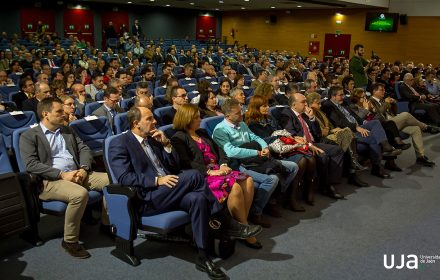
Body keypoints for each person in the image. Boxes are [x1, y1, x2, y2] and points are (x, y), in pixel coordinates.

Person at [107, 106, 261, 279]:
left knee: (198, 199)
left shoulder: (153, 139)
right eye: (149, 119)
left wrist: (166, 144)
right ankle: (226, 223)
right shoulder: (119, 143)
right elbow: (123, 178)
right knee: (195, 175)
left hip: (169, 190)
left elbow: (173, 166)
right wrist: (157, 180)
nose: (155, 121)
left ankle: (203, 257)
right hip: (148, 198)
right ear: (136, 123)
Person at [19, 97, 109, 259]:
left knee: (111, 181)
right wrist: (62, 174)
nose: (64, 114)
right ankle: (70, 241)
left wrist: (83, 169)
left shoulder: (67, 129)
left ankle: (106, 224)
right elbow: (31, 165)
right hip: (51, 181)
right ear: (46, 114)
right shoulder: (29, 136)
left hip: (78, 173)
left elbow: (84, 149)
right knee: (79, 194)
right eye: (59, 111)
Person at [171, 104, 262, 249]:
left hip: (218, 170)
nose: (200, 120)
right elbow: (185, 163)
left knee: (248, 181)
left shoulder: (202, 132)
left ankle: (239, 224)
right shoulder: (179, 138)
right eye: (196, 118)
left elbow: (220, 151)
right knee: (236, 187)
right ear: (187, 119)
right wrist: (208, 172)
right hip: (202, 176)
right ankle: (245, 229)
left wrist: (223, 164)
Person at [212, 99, 283, 228]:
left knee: (292, 168)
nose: (242, 114)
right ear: (227, 116)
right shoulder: (220, 130)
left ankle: (270, 202)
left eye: (241, 111)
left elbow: (255, 137)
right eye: (238, 113)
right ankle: (256, 212)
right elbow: (231, 152)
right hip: (238, 163)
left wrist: (264, 147)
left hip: (254, 159)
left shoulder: (242, 123)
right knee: (271, 179)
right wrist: (256, 152)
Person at [246, 95, 317, 208]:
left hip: (282, 147)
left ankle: (304, 192)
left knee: (311, 159)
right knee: (302, 161)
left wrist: (292, 138)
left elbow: (281, 131)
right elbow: (265, 141)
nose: (267, 108)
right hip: (272, 152)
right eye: (264, 106)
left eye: (267, 105)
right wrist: (288, 138)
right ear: (256, 107)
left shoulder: (269, 118)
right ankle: (291, 197)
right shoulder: (252, 124)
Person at [321, 86, 402, 179]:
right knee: (374, 137)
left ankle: (386, 146)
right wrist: (357, 127)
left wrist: (364, 123)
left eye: (343, 94)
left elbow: (354, 116)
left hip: (358, 125)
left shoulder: (343, 103)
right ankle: (377, 166)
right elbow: (339, 123)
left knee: (376, 122)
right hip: (348, 130)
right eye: (340, 95)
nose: (343, 97)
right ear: (333, 96)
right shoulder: (328, 105)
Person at [279, 93, 347, 199]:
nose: (306, 104)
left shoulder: (304, 114)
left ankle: (330, 182)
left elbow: (317, 134)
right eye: (303, 102)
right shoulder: (287, 114)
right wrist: (309, 145)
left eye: (306, 101)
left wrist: (311, 118)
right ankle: (327, 187)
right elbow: (292, 136)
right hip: (302, 146)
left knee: (337, 150)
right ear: (294, 104)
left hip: (314, 142)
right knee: (322, 156)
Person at [370, 83, 437, 167]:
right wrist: (386, 104)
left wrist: (393, 104)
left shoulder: (383, 100)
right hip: (385, 125)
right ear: (374, 91)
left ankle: (420, 156)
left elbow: (393, 113)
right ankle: (426, 127)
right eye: (381, 90)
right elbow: (378, 115)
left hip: (393, 121)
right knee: (405, 114)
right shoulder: (370, 101)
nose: (384, 91)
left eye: (384, 89)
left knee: (415, 129)